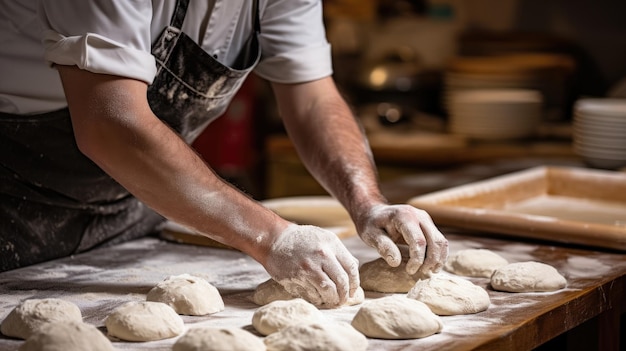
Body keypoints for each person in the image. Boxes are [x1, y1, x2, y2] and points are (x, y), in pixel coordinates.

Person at [0, 0, 448, 306]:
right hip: (12, 205)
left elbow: (312, 96)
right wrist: (274, 237)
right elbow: (109, 123)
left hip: (135, 206)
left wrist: (367, 202)